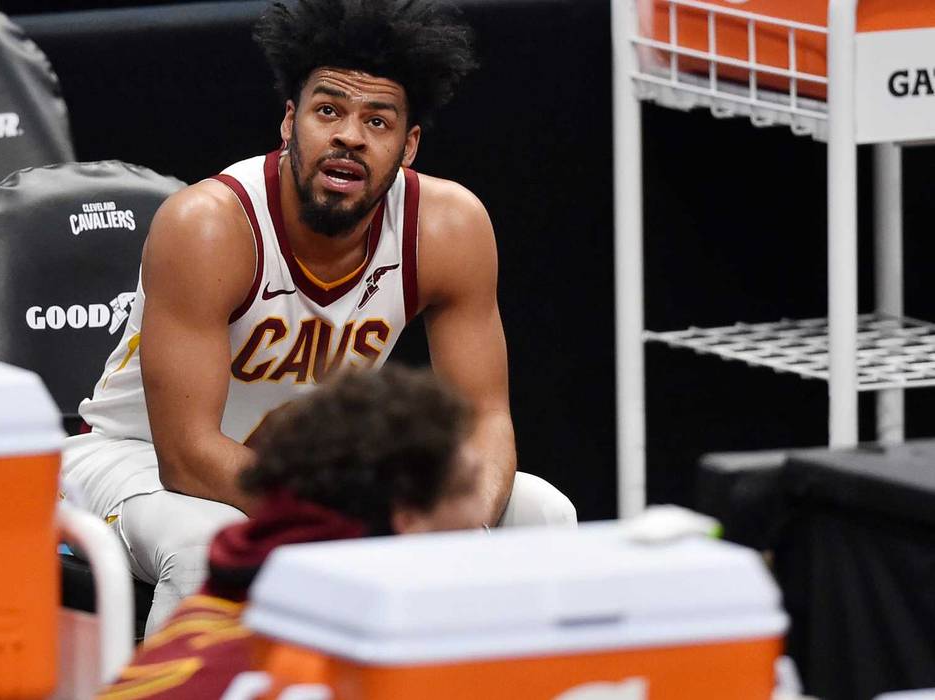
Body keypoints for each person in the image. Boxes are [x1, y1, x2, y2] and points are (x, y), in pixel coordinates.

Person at [63, 0, 576, 635]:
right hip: (130, 460)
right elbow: (188, 458)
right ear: (289, 122)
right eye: (328, 110)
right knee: (209, 548)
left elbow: (485, 418)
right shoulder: (209, 226)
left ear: (409, 145)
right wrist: (357, 520)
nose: (350, 136)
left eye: (378, 121)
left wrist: (464, 518)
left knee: (542, 513)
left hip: (313, 474)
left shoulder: (448, 227)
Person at [98, 365, 488, 700]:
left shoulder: (225, 606)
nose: (483, 512)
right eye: (469, 487)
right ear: (408, 520)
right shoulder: (331, 670)